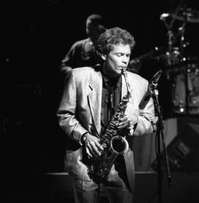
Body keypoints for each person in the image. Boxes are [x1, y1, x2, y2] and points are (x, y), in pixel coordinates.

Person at [57, 27, 158, 203]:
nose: (125, 61)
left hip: (120, 164)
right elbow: (64, 115)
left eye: (127, 55)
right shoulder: (78, 77)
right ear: (104, 55)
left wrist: (135, 121)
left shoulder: (140, 83)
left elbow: (151, 121)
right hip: (85, 162)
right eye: (119, 55)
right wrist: (85, 136)